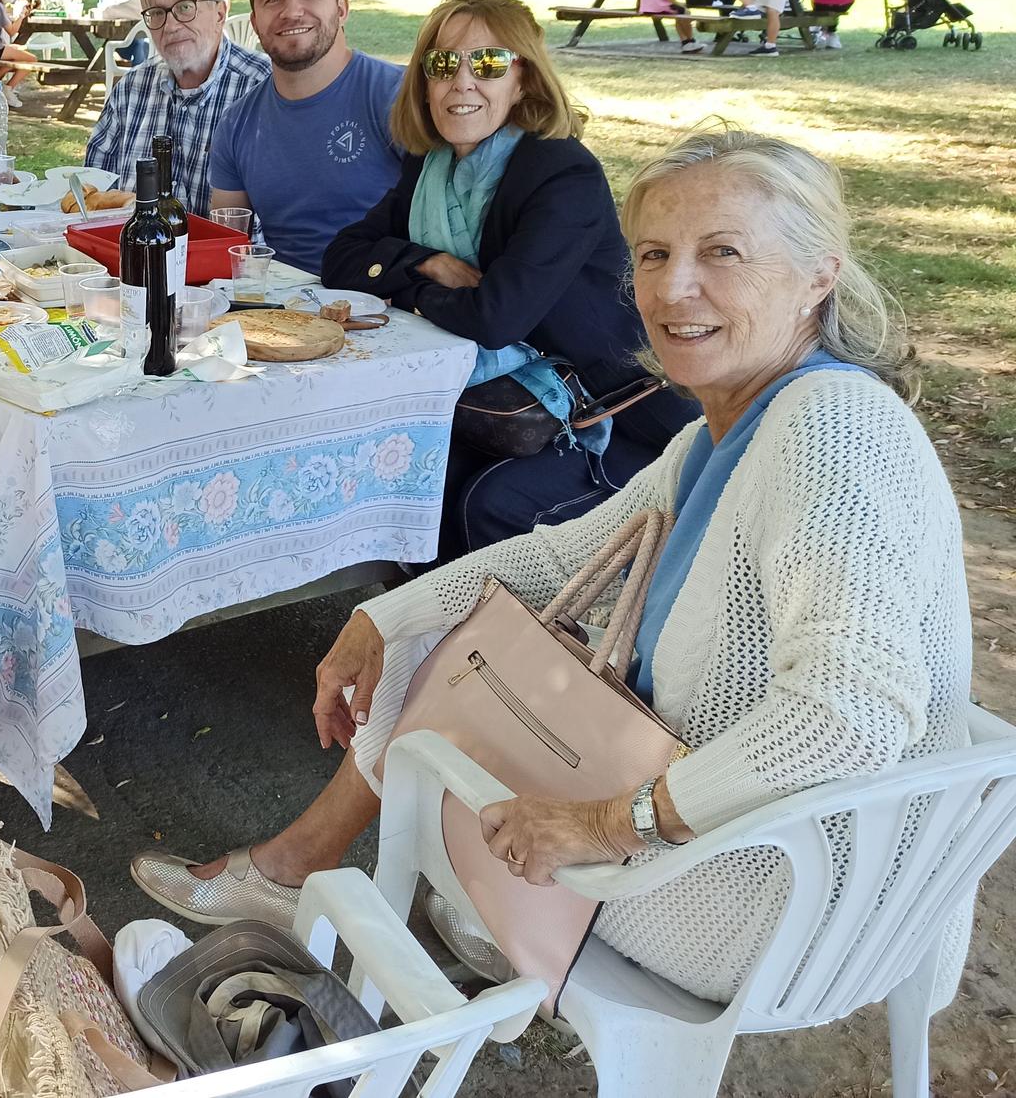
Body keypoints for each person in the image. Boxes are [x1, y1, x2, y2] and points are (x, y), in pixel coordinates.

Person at [138, 126, 972, 1013]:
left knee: (440, 695)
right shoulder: (727, 428)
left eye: (722, 253)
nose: (673, 289)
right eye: (653, 254)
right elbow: (558, 555)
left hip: (778, 902)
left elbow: (853, 714)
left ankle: (362, 884)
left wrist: (604, 825)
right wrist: (378, 618)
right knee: (433, 643)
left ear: (819, 277)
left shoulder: (832, 431)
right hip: (755, 847)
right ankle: (409, 893)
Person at [321, 0, 695, 558]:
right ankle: (428, 632)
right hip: (498, 400)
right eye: (442, 64)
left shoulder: (560, 172)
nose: (462, 82)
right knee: (405, 466)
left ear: (524, 80)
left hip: (606, 413)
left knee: (486, 500)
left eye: (488, 63)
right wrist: (427, 265)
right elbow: (343, 257)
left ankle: (504, 643)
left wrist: (409, 289)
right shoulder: (433, 165)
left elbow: (495, 317)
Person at [206, 0, 406, 274]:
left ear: (341, 9)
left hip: (392, 303)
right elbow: (227, 250)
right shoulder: (236, 124)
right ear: (254, 22)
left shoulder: (396, 96)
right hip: (286, 311)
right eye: (273, 0)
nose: (292, 12)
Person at [84, 0, 269, 216]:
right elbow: (91, 195)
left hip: (226, 257)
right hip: (136, 255)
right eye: (157, 13)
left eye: (185, 7)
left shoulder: (263, 87)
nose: (170, 26)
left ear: (219, 13)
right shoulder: (131, 89)